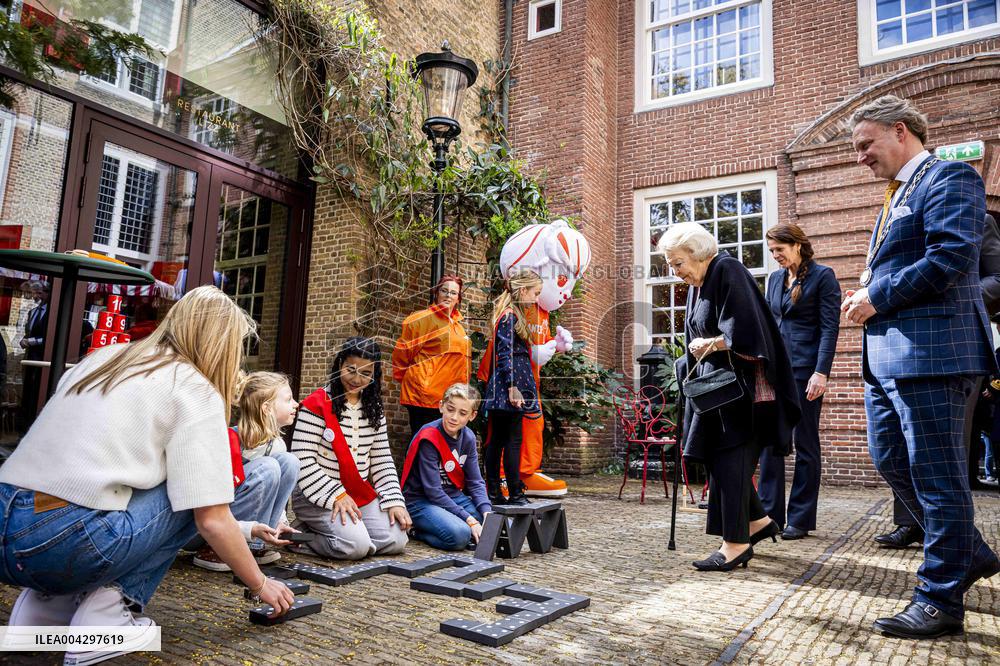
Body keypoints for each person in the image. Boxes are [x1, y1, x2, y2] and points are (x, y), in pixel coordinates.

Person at [0, 286, 294, 664]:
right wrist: (261, 584)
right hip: (66, 542)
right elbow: (209, 518)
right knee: (191, 490)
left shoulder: (104, 358)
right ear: (221, 346)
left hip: (9, 527)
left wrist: (249, 528)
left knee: (106, 495)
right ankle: (108, 615)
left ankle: (45, 613)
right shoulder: (194, 388)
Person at [843, 95, 1000, 638]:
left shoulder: (950, 177)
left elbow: (950, 256)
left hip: (934, 353)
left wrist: (877, 295)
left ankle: (940, 599)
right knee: (890, 459)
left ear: (901, 130)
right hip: (889, 357)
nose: (860, 156)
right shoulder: (896, 195)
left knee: (938, 478)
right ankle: (967, 550)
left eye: (865, 144)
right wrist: (868, 293)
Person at [660, 223, 800, 572]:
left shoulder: (727, 270)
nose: (675, 272)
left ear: (697, 253)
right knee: (719, 460)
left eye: (677, 263)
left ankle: (736, 545)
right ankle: (757, 522)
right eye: (671, 265)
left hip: (744, 396)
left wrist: (712, 344)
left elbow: (749, 330)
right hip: (719, 394)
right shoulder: (700, 283)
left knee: (731, 463)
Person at [875, 212, 1000, 548]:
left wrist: (951, 291)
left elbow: (998, 278)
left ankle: (954, 542)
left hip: (954, 346)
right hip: (903, 343)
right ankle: (913, 522)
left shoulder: (979, 220)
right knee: (897, 445)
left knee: (945, 449)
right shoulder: (904, 221)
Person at [290, 337, 411, 560]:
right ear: (340, 365)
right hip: (316, 492)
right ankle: (299, 537)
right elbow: (302, 459)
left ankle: (348, 536)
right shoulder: (316, 404)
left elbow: (382, 460)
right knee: (355, 547)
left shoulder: (374, 409)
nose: (356, 379)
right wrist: (336, 494)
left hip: (357, 493)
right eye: (351, 370)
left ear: (374, 374)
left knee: (397, 539)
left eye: (365, 373)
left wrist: (394, 501)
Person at [759, 224, 841, 540]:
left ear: (797, 245)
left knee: (806, 442)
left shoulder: (823, 277)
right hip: (775, 371)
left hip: (806, 372)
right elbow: (769, 323)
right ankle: (769, 515)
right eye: (771, 251)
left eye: (779, 249)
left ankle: (801, 518)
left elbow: (829, 329)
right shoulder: (774, 280)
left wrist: (822, 372)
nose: (775, 255)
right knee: (771, 441)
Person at [193, 371, 302, 571]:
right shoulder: (229, 439)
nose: (296, 404)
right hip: (205, 526)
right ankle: (217, 548)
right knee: (268, 467)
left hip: (243, 526)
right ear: (266, 408)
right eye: (288, 399)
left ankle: (254, 544)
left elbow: (273, 493)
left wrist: (279, 521)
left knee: (290, 462)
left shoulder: (277, 445)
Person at [401, 383, 492, 551]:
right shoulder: (429, 437)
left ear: (472, 416)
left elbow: (475, 481)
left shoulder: (469, 438)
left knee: (488, 523)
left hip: (452, 496)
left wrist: (487, 512)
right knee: (460, 535)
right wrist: (469, 520)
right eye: (450, 409)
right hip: (420, 500)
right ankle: (415, 531)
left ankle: (457, 522)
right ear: (441, 406)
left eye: (462, 413)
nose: (454, 417)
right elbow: (433, 491)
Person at [482, 268, 543, 507]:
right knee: (511, 440)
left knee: (498, 439)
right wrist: (512, 387)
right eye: (535, 293)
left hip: (508, 384)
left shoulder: (510, 314)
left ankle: (495, 492)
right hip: (509, 386)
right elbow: (504, 353)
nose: (536, 298)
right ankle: (514, 493)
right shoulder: (509, 317)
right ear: (523, 290)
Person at [392, 275, 471, 440]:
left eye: (453, 293)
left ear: (458, 298)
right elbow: (402, 354)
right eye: (444, 291)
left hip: (448, 397)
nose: (448, 295)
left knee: (439, 445)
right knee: (423, 443)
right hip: (425, 397)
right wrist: (414, 383)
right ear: (436, 293)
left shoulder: (458, 327)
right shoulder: (421, 320)